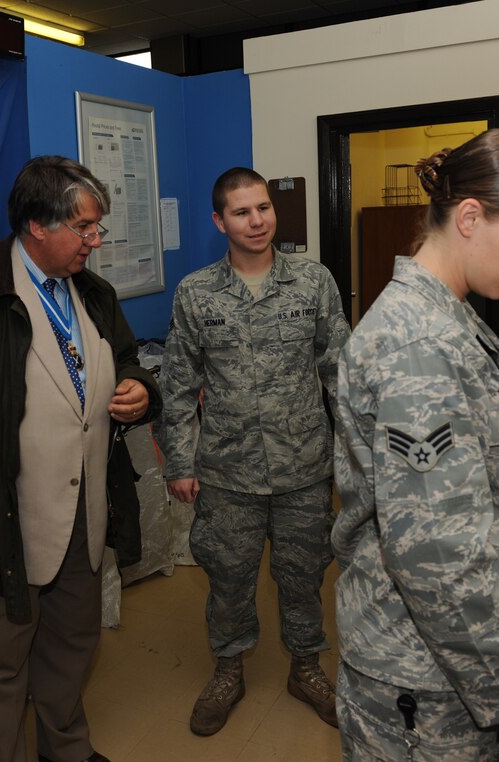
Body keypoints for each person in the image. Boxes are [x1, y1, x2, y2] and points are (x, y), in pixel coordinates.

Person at [331, 129, 499, 760]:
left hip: (445, 663)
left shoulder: (447, 314)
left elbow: (425, 471)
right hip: (422, 678)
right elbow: (437, 558)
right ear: (470, 217)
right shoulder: (417, 345)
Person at [0, 155, 161, 762]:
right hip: (0, 525)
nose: (96, 241)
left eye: (98, 227)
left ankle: (65, 747)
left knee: (73, 644)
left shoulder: (92, 293)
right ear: (38, 226)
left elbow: (126, 360)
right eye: (86, 228)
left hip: (84, 514)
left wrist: (138, 387)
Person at [156, 167, 350, 736]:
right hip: (226, 471)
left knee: (304, 574)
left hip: (304, 466)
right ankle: (228, 669)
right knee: (228, 576)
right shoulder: (196, 292)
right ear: (219, 220)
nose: (257, 220)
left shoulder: (314, 282)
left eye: (263, 208)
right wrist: (181, 462)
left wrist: (353, 457)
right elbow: (178, 383)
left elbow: (340, 373)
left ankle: (307, 667)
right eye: (242, 212)